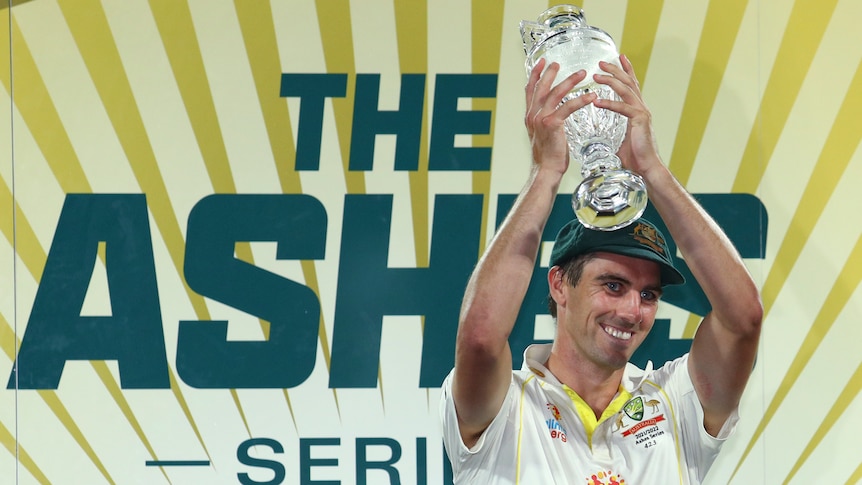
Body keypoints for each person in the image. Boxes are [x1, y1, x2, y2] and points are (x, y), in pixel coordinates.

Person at [439, 55, 763, 484]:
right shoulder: (507, 406)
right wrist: (545, 172)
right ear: (559, 284)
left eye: (649, 294)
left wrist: (651, 171)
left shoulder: (676, 402)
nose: (633, 311)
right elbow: (480, 338)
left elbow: (743, 320)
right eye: (613, 285)